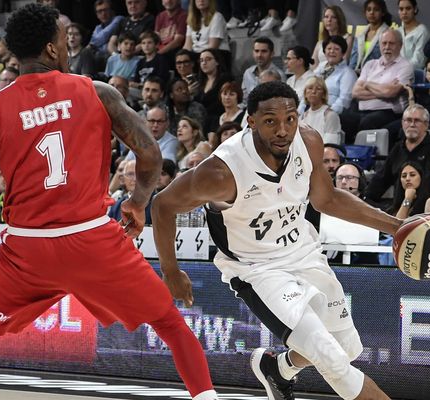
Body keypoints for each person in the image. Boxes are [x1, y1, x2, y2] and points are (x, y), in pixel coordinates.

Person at [0, 5, 219, 400]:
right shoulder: (97, 91)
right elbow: (150, 152)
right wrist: (138, 201)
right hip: (91, 239)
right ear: (52, 50)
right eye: (63, 38)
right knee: (171, 325)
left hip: (27, 250)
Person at [151, 81, 400, 400]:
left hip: (304, 253)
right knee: (333, 361)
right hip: (258, 270)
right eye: (270, 121)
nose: (283, 130)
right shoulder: (221, 172)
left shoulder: (308, 141)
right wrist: (170, 272)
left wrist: (396, 226)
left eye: (290, 119)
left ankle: (277, 369)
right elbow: (163, 205)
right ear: (250, 121)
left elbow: (326, 199)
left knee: (346, 348)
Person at [365, 104, 430, 208]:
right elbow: (382, 179)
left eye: (417, 121)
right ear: (403, 123)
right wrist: (365, 199)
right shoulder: (397, 148)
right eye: (408, 120)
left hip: (424, 209)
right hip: (397, 207)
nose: (412, 124)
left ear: (426, 125)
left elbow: (429, 185)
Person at [351, 29, 414, 146]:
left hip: (389, 112)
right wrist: (383, 90)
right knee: (343, 118)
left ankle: (363, 159)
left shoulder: (405, 66)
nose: (387, 47)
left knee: (368, 122)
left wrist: (367, 84)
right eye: (384, 43)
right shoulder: (370, 64)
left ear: (400, 45)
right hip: (362, 111)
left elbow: (391, 93)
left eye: (391, 43)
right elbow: (355, 92)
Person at [314, 36, 357, 116]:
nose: (332, 51)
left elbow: (344, 100)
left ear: (343, 53)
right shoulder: (319, 68)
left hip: (332, 113)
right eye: (329, 48)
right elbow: (308, 89)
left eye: (336, 49)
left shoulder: (348, 73)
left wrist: (328, 113)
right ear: (324, 51)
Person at [349, 0, 391, 73]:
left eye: (376, 10)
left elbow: (388, 60)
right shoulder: (360, 35)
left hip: (378, 75)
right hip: (357, 76)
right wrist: (350, 74)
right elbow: (353, 61)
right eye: (369, 10)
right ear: (365, 13)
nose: (372, 12)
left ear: (383, 13)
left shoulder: (389, 34)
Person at [242, 37, 286, 105]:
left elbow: (281, 101)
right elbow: (245, 100)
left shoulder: (279, 74)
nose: (259, 55)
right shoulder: (248, 73)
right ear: (253, 53)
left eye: (264, 51)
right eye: (256, 51)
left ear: (272, 54)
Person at [300, 76, 341, 144]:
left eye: (318, 89)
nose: (313, 91)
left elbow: (330, 143)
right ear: (305, 94)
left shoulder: (330, 115)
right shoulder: (302, 117)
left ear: (323, 94)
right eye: (310, 88)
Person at [396, 0, 429, 70]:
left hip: (415, 74)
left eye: (408, 8)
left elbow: (418, 62)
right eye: (401, 9)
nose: (404, 12)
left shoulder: (422, 31)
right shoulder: (397, 32)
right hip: (395, 72)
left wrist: (399, 69)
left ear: (415, 9)